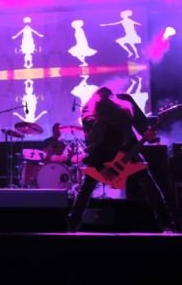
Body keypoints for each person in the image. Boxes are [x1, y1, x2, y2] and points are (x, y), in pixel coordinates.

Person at [67, 86, 178, 232]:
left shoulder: (125, 100)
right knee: (87, 188)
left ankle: (166, 225)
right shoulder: (89, 110)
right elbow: (92, 141)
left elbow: (143, 126)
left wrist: (149, 135)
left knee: (148, 186)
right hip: (103, 153)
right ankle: (72, 227)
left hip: (127, 150)